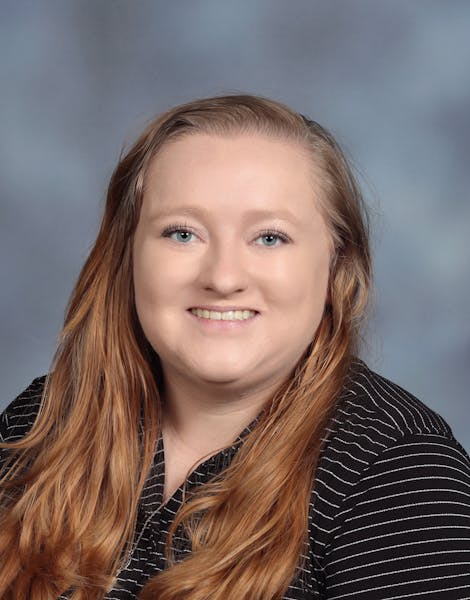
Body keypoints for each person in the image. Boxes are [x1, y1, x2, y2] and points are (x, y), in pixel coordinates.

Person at [1, 94, 469, 600]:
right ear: (127, 254)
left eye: (269, 238)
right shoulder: (42, 420)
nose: (223, 278)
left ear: (337, 264)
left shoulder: (402, 477)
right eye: (183, 233)